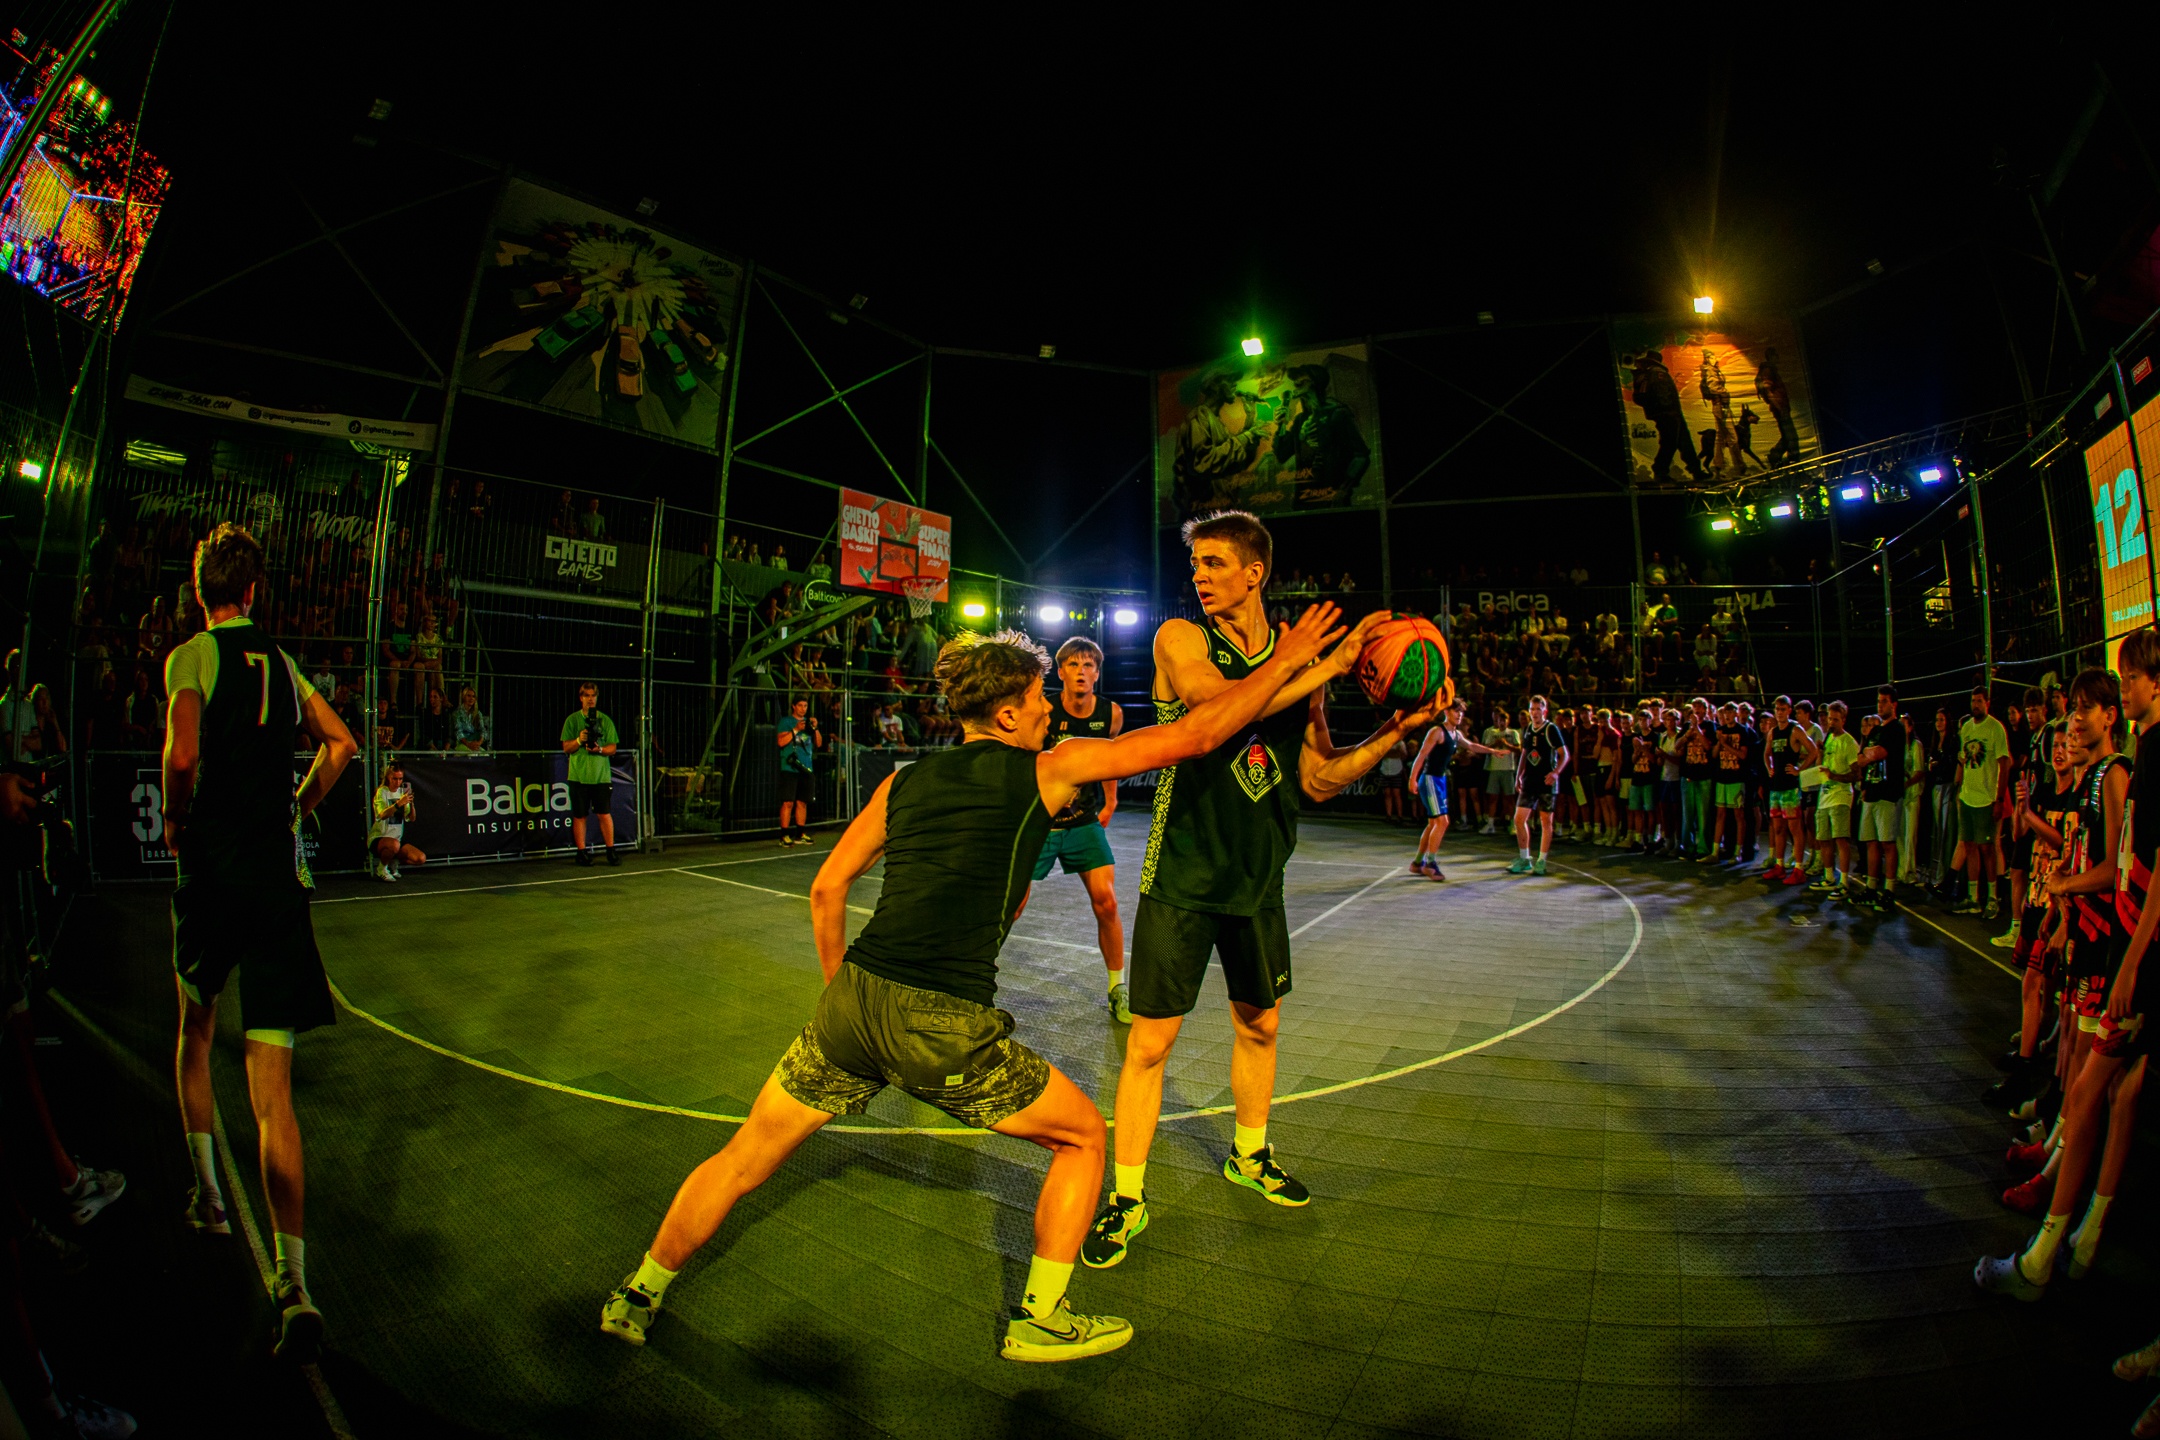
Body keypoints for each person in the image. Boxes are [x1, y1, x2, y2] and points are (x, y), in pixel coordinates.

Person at [600, 604, 1346, 1361]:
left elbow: (827, 890)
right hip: (940, 1022)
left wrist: (836, 992)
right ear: (1011, 711)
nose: (1051, 709)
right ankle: (1040, 1318)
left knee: (742, 1158)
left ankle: (639, 1290)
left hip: (852, 1004)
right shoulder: (1049, 770)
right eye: (1041, 698)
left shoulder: (903, 782)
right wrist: (1290, 661)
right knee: (1084, 1138)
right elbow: (1199, 735)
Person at [1085, 511, 1433, 1271]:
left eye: (1215, 563)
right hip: (1182, 873)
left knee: (1261, 1026)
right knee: (1151, 1043)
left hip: (1258, 878)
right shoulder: (1180, 638)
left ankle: (1250, 1154)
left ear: (1256, 572)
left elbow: (1319, 778)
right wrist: (1314, 663)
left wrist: (1396, 731)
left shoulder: (1297, 666)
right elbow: (1213, 714)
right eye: (1196, 565)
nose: (1199, 577)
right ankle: (1127, 1194)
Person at [163, 522, 358, 1364]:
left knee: (195, 1028)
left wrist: (176, 817)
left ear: (200, 589)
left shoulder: (191, 658)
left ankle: (208, 1196)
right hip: (275, 881)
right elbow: (341, 744)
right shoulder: (281, 663)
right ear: (254, 591)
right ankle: (294, 1283)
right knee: (274, 1090)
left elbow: (182, 754)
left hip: (213, 871)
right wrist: (298, 808)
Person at [1977, 661, 2141, 1298]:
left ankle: (2064, 1220)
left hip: (2111, 944)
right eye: (2069, 712)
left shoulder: (2117, 773)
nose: (2071, 722)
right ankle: (2063, 1197)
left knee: (2101, 1083)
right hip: (2097, 937)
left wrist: (2069, 891)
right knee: (2084, 1067)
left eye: (2082, 710)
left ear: (2112, 714)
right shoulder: (2100, 776)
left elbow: (2120, 868)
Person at [1027, 639, 1129, 1021]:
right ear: (1061, 672)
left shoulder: (1110, 714)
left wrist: (1111, 800)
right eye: (1073, 664)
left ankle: (1118, 988)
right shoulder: (1044, 709)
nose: (1082, 671)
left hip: (1083, 821)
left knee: (1107, 901)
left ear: (1097, 673)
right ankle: (977, 983)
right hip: (1042, 821)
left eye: (1088, 665)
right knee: (1012, 905)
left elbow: (1110, 758)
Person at [1407, 699, 1503, 879]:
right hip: (1430, 779)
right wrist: (1412, 778)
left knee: (1433, 824)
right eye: (1456, 711)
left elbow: (1471, 746)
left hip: (1440, 780)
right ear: (1446, 712)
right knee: (1443, 822)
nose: (1459, 715)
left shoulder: (1456, 734)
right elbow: (1421, 755)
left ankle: (1418, 863)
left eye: (1462, 712)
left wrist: (1492, 751)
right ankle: (1430, 863)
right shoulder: (1437, 732)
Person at [1954, 682, 2011, 920]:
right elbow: (1963, 761)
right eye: (1973, 701)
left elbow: (2004, 763)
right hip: (1968, 796)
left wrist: (1999, 799)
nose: (1975, 705)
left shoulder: (1995, 728)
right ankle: (1973, 897)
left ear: (1987, 703)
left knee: (1988, 848)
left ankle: (1993, 897)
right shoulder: (1966, 727)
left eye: (1979, 701)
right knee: (1969, 846)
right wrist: (1959, 790)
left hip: (1986, 799)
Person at [1852, 685, 1912, 911]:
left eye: (1884, 701)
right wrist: (1869, 754)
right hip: (1872, 792)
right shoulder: (1876, 730)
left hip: (1888, 793)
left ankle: (1889, 890)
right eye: (1878, 701)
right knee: (1871, 842)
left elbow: (1878, 753)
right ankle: (1871, 887)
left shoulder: (1896, 729)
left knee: (1887, 842)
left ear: (1893, 704)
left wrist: (1870, 754)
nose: (1880, 705)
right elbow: (1861, 757)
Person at [561, 682, 621, 866]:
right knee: (580, 815)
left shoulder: (605, 720)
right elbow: (566, 747)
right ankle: (581, 852)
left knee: (604, 814)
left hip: (600, 776)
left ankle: (610, 850)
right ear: (581, 698)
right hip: (578, 776)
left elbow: (612, 748)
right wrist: (579, 740)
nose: (590, 699)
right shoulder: (572, 720)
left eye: (593, 695)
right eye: (586, 695)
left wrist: (599, 749)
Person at [1508, 696, 1569, 875]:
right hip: (1530, 780)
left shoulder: (1551, 729)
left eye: (1538, 709)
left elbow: (1564, 754)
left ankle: (1542, 860)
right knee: (1519, 819)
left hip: (1546, 781)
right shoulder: (1528, 729)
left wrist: (1556, 772)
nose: (1534, 713)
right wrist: (1519, 775)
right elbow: (1525, 753)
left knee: (1545, 821)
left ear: (1544, 711)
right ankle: (1524, 858)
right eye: (1532, 709)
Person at [1809, 701, 1862, 898]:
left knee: (1841, 839)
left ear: (1844, 720)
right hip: (1824, 795)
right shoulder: (1829, 738)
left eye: (1835, 719)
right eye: (1830, 719)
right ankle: (1829, 876)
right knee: (1823, 838)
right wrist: (1820, 753)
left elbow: (1856, 774)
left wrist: (1835, 776)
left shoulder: (1849, 743)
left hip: (1840, 796)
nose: (1831, 723)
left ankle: (1844, 881)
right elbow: (1821, 766)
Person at [1761, 695, 1816, 883]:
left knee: (1795, 828)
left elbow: (1813, 750)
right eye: (1777, 709)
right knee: (1778, 827)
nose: (1779, 713)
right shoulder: (1773, 732)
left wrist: (1799, 770)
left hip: (1790, 787)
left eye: (1783, 709)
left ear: (1789, 711)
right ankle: (1779, 865)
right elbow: (1766, 753)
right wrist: (1769, 767)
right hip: (1776, 787)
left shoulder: (1795, 729)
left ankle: (1799, 868)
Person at [367, 759, 426, 882]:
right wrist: (398, 804)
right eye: (395, 779)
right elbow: (382, 814)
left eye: (400, 779)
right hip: (379, 838)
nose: (398, 782)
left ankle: (393, 861)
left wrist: (411, 803)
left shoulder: (402, 793)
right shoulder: (382, 792)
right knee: (394, 845)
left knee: (420, 858)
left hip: (396, 840)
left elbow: (412, 818)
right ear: (389, 777)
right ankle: (381, 869)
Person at [775, 697, 820, 847]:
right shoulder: (786, 722)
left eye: (805, 706)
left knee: (802, 802)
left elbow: (819, 743)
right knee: (788, 802)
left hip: (806, 767)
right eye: (800, 705)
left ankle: (800, 834)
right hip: (790, 767)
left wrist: (815, 728)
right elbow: (781, 742)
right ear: (793, 706)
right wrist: (796, 730)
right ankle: (784, 835)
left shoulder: (808, 723)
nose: (803, 709)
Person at [1478, 702, 1520, 835]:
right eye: (1500, 720)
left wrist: (1506, 744)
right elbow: (1484, 748)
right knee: (1493, 797)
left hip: (1508, 768)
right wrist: (1495, 744)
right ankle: (1490, 824)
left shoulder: (1513, 733)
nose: (1502, 723)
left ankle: (1513, 824)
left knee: (1509, 797)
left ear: (1508, 721)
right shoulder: (1491, 732)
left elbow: (1519, 749)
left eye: (1504, 720)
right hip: (1494, 769)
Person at [453, 685, 492, 752]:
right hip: (462, 744)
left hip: (475, 743)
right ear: (464, 697)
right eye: (469, 696)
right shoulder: (457, 713)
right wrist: (468, 744)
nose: (471, 698)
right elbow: (458, 732)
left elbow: (483, 730)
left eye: (473, 696)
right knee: (472, 754)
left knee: (485, 755)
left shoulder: (478, 713)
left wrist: (479, 743)